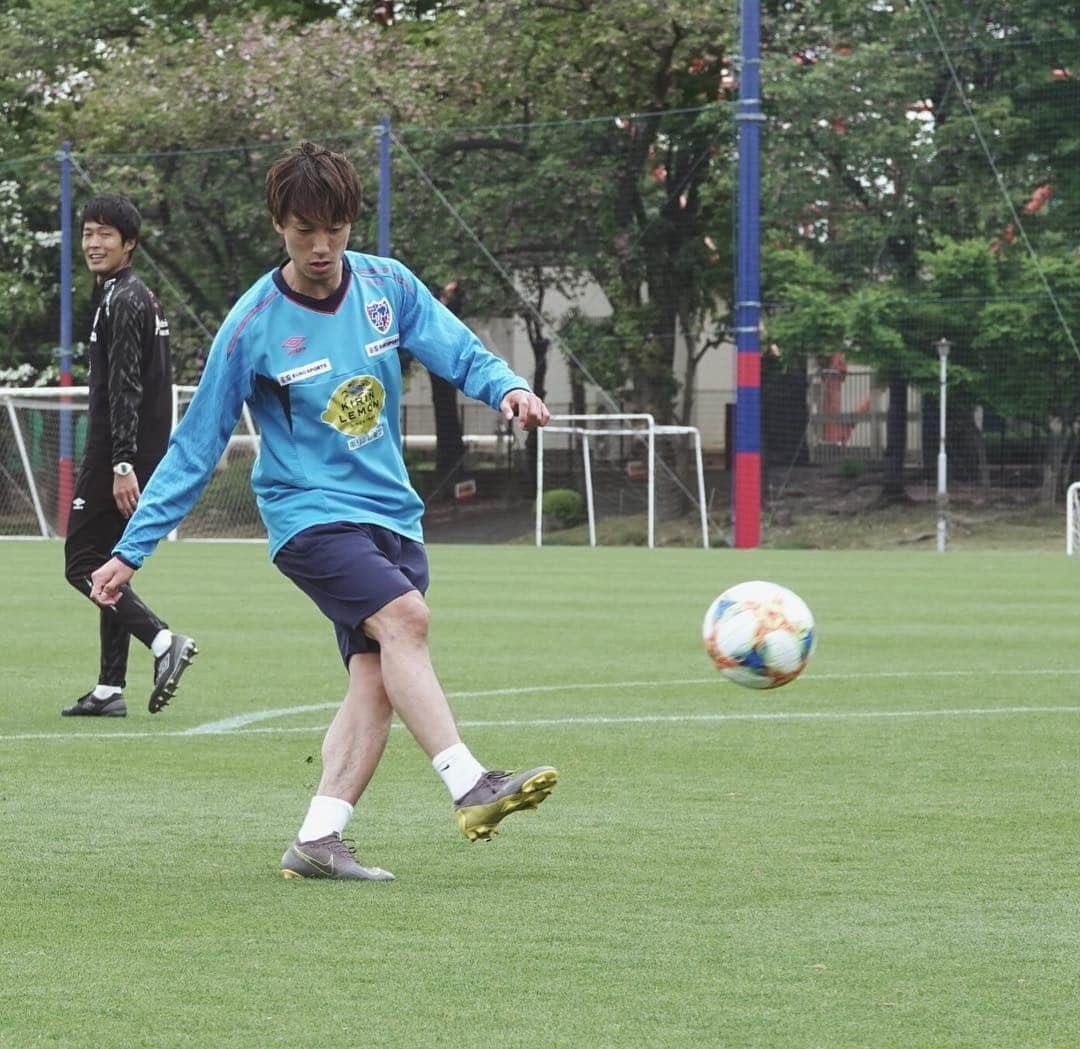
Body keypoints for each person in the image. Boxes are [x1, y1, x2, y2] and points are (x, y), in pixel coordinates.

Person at [90, 142, 558, 880]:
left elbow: (458, 348)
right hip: (308, 518)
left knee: (376, 674)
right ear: (279, 223)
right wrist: (131, 548)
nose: (320, 246)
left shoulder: (387, 285)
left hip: (392, 514)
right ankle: (470, 783)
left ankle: (318, 837)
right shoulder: (253, 324)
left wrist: (506, 387)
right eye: (304, 229)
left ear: (349, 222)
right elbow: (194, 446)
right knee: (407, 620)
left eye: (333, 228)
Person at [63, 194, 198, 718]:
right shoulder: (132, 295)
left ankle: (163, 642)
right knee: (107, 564)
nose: (94, 244)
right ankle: (107, 688)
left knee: (81, 565)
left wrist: (122, 464)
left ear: (129, 243)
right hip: (135, 451)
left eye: (105, 235)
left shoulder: (123, 299)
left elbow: (125, 389)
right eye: (88, 233)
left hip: (116, 455)